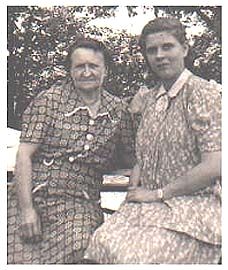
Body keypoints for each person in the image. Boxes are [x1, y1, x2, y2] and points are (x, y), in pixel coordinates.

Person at [84, 17, 222, 264]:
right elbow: (143, 156)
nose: (159, 55)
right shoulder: (152, 100)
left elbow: (214, 165)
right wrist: (134, 188)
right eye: (152, 50)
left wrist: (159, 193)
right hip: (149, 206)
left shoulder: (204, 94)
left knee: (133, 256)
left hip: (194, 210)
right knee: (101, 240)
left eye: (167, 46)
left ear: (185, 49)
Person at [7, 37, 135, 264]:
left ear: (105, 70)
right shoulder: (49, 101)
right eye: (79, 66)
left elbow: (134, 156)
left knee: (82, 248)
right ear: (70, 70)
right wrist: (27, 209)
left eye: (93, 66)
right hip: (33, 195)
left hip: (79, 203)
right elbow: (24, 155)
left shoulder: (118, 111)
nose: (87, 72)